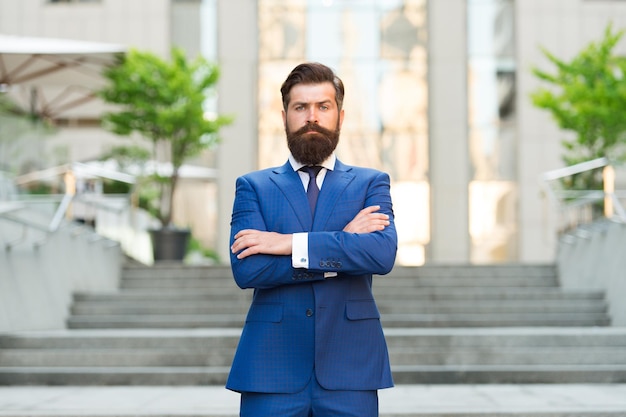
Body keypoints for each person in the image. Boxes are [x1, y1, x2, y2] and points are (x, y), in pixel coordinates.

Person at [227, 62, 398, 417]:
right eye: (300, 107)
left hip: (351, 367)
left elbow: (381, 254)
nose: (312, 117)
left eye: (323, 106)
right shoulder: (253, 187)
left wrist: (288, 244)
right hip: (270, 368)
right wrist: (343, 246)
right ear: (285, 115)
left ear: (341, 115)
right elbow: (250, 271)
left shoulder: (371, 183)